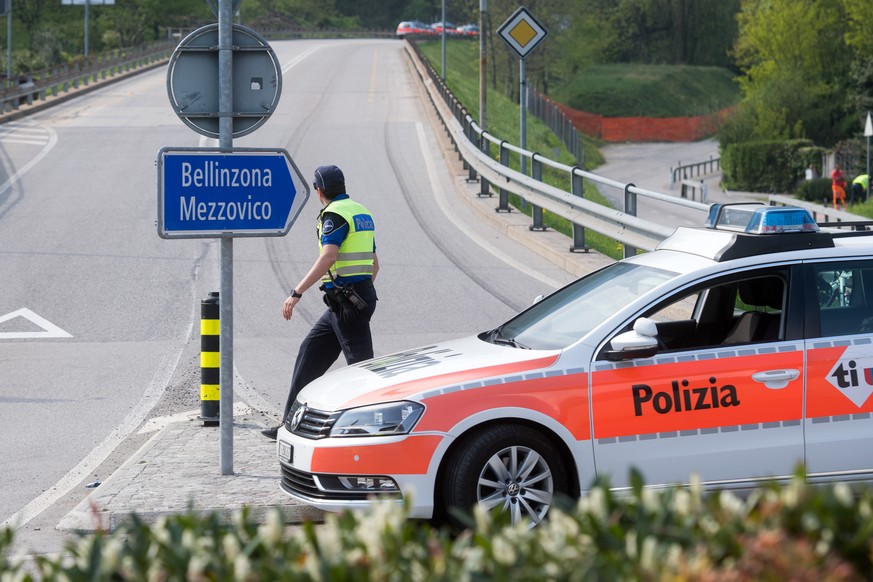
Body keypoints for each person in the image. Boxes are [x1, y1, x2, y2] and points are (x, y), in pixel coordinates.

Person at [262, 165, 379, 440]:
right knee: (310, 351)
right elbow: (374, 265)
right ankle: (290, 423)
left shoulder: (334, 215)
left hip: (348, 302)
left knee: (361, 368)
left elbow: (328, 257)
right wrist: (361, 292)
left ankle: (375, 429)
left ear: (319, 190)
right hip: (352, 298)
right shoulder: (360, 211)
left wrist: (297, 291)